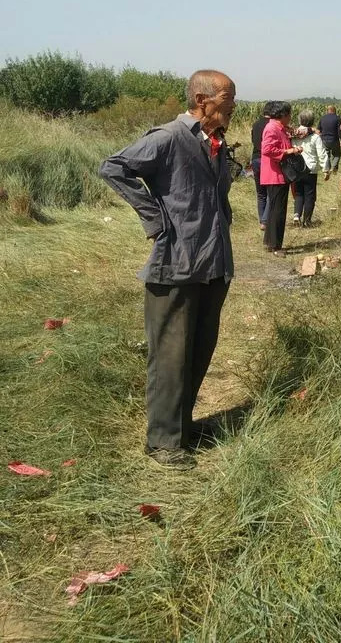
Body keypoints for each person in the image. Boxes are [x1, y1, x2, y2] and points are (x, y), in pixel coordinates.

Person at [99, 69, 237, 470]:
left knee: (198, 350)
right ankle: (162, 442)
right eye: (228, 98)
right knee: (171, 356)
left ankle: (183, 427)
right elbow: (114, 167)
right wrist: (154, 218)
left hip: (212, 263)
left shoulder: (214, 142)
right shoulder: (169, 137)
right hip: (176, 264)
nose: (232, 106)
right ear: (201, 99)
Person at [260, 101, 301, 255]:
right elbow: (267, 149)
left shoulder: (279, 127)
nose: (290, 117)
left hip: (278, 174)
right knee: (278, 211)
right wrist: (289, 151)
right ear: (282, 115)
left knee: (274, 210)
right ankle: (276, 246)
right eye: (289, 114)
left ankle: (270, 241)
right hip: (275, 174)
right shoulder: (272, 128)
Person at [293, 109, 331, 227]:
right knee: (310, 196)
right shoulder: (315, 137)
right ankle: (307, 221)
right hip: (311, 169)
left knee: (299, 194)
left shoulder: (293, 134)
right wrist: (326, 169)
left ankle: (296, 214)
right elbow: (322, 153)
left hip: (297, 168)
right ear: (312, 120)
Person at [250, 102, 272, 230]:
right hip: (266, 160)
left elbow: (253, 140)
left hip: (255, 158)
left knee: (260, 193)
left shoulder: (256, 124)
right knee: (270, 192)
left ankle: (262, 221)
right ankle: (265, 220)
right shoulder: (272, 125)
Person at [318, 105, 341, 173]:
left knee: (326, 155)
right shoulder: (337, 118)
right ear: (334, 110)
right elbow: (339, 130)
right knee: (337, 154)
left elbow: (319, 129)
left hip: (324, 139)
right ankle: (334, 167)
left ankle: (327, 169)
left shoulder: (322, 118)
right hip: (334, 139)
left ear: (327, 110)